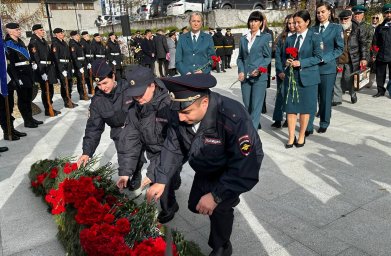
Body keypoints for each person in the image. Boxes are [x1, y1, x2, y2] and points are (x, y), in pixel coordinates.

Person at [146, 73, 263, 256]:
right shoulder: (180, 113)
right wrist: (161, 179)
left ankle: (221, 246)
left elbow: (246, 167)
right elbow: (173, 146)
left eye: (186, 112)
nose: (181, 118)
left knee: (219, 208)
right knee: (195, 204)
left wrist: (216, 196)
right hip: (206, 163)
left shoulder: (233, 117)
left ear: (205, 103)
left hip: (231, 170)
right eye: (178, 112)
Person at [116, 65, 181, 223]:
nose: (137, 99)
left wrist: (153, 173)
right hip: (153, 149)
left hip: (171, 150)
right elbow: (130, 139)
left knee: (162, 179)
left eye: (140, 93)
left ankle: (170, 207)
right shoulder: (135, 107)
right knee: (163, 176)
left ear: (152, 85)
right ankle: (172, 180)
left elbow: (174, 146)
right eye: (134, 95)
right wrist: (125, 171)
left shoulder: (169, 105)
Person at [77, 60, 143, 190]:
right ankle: (133, 173)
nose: (103, 87)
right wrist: (87, 152)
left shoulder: (129, 88)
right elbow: (93, 128)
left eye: (105, 83)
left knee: (142, 152)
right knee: (125, 153)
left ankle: (144, 173)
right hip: (118, 131)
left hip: (138, 126)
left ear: (113, 76)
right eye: (99, 84)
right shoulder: (97, 101)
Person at [284, 10, 323, 148]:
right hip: (292, 78)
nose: (295, 25)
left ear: (307, 22)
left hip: (308, 79)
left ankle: (301, 136)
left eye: (298, 22)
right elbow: (284, 56)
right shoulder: (290, 38)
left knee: (305, 109)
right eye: (294, 22)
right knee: (291, 108)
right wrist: (287, 61)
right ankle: (290, 137)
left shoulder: (315, 37)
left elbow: (318, 57)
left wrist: (302, 62)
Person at [306, 2, 344, 136]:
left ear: (329, 12)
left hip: (327, 69)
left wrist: (324, 58)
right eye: (318, 12)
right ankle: (309, 125)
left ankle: (324, 122)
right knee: (311, 98)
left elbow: (339, 49)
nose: (320, 14)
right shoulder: (312, 29)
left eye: (323, 12)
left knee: (325, 98)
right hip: (313, 69)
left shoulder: (336, 28)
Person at [237, 11, 272, 130]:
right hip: (245, 77)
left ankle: (252, 131)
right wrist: (241, 71)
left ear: (261, 22)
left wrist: (260, 69)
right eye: (251, 21)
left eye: (256, 21)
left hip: (259, 77)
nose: (253, 23)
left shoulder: (266, 37)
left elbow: (267, 57)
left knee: (257, 105)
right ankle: (255, 123)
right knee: (247, 105)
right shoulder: (243, 39)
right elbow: (240, 58)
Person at [4, 22, 43, 129]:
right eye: (17, 30)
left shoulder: (20, 42)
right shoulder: (7, 44)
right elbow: (10, 64)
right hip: (19, 74)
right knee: (23, 98)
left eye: (19, 29)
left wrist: (32, 65)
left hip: (28, 72)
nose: (19, 31)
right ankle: (27, 120)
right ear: (10, 31)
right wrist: (16, 78)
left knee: (28, 97)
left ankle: (30, 118)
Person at [333, 10, 368, 105]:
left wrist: (364, 58)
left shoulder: (357, 28)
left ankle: (352, 92)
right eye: (341, 19)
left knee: (348, 78)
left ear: (350, 18)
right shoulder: (335, 28)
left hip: (351, 59)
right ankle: (337, 99)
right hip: (338, 59)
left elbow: (363, 44)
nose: (343, 21)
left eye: (346, 19)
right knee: (337, 79)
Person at [28, 24, 61, 117]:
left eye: (43, 30)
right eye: (41, 30)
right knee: (45, 90)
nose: (43, 31)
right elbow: (35, 58)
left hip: (49, 67)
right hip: (42, 68)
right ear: (35, 31)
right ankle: (47, 109)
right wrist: (41, 72)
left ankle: (50, 106)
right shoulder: (33, 42)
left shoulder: (43, 40)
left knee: (50, 89)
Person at [272, 14, 295, 129]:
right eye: (289, 23)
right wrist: (280, 70)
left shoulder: (299, 37)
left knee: (290, 96)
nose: (291, 25)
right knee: (280, 95)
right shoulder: (282, 37)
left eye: (293, 23)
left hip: (294, 72)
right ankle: (277, 119)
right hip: (282, 71)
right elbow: (277, 55)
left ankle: (288, 118)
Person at [51, 28, 77, 108]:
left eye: (62, 33)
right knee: (64, 85)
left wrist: (71, 66)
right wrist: (61, 69)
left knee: (69, 84)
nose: (63, 34)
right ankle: (66, 101)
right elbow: (56, 58)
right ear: (56, 34)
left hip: (68, 65)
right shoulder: (55, 43)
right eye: (61, 33)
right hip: (62, 66)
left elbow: (69, 56)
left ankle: (70, 99)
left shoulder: (64, 43)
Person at [372, 3, 391, 98]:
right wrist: (375, 54)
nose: (389, 15)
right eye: (387, 13)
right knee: (380, 75)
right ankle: (380, 91)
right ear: (384, 14)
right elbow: (375, 42)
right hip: (381, 55)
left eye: (390, 12)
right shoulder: (379, 27)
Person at [69, 31, 89, 101]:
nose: (78, 36)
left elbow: (83, 54)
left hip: (83, 62)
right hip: (78, 64)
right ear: (73, 36)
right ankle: (81, 95)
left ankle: (84, 93)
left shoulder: (78, 43)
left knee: (83, 80)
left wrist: (86, 63)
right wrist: (79, 66)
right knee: (80, 80)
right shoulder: (72, 44)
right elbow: (74, 57)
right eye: (77, 35)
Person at [367, 13, 383, 88]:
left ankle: (372, 82)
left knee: (375, 67)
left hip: (379, 50)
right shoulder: (368, 27)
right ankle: (367, 81)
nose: (374, 19)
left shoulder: (381, 28)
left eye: (377, 18)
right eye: (373, 17)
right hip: (368, 50)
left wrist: (375, 53)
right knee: (368, 66)